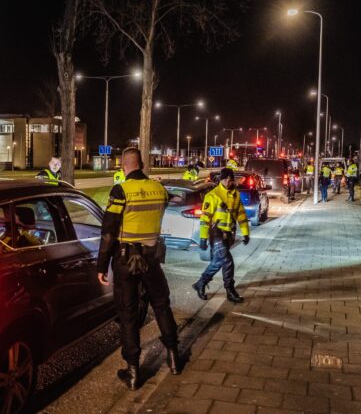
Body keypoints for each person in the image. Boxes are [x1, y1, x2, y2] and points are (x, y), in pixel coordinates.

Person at [97, 147, 181, 390]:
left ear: (124, 165)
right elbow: (166, 203)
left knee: (128, 313)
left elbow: (108, 231)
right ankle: (174, 356)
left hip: (126, 260)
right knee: (162, 304)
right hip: (151, 257)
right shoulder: (158, 189)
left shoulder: (121, 190)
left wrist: (101, 265)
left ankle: (133, 371)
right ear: (142, 164)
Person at [192, 168, 250, 304]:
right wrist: (203, 237)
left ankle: (201, 283)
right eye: (226, 180)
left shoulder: (235, 195)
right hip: (216, 233)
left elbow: (241, 215)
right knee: (228, 261)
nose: (229, 182)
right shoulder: (213, 195)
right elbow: (205, 218)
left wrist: (246, 233)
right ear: (222, 179)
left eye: (231, 180)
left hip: (228, 234)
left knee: (218, 262)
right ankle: (230, 290)